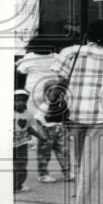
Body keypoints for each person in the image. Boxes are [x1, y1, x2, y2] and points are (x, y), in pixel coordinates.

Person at [50, 19, 103, 204]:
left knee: (78, 159)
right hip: (100, 116)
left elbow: (57, 78)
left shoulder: (69, 52)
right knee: (90, 164)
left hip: (74, 114)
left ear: (87, 35)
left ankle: (79, 200)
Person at [16, 35, 72, 183]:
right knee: (52, 112)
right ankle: (45, 140)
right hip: (54, 87)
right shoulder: (56, 56)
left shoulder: (29, 57)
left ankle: (36, 140)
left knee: (36, 116)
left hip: (34, 89)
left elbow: (20, 70)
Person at [13, 89, 36, 193]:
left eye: (23, 100)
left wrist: (41, 136)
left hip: (21, 144)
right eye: (17, 100)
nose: (20, 102)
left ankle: (18, 185)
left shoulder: (29, 115)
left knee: (21, 165)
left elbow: (29, 128)